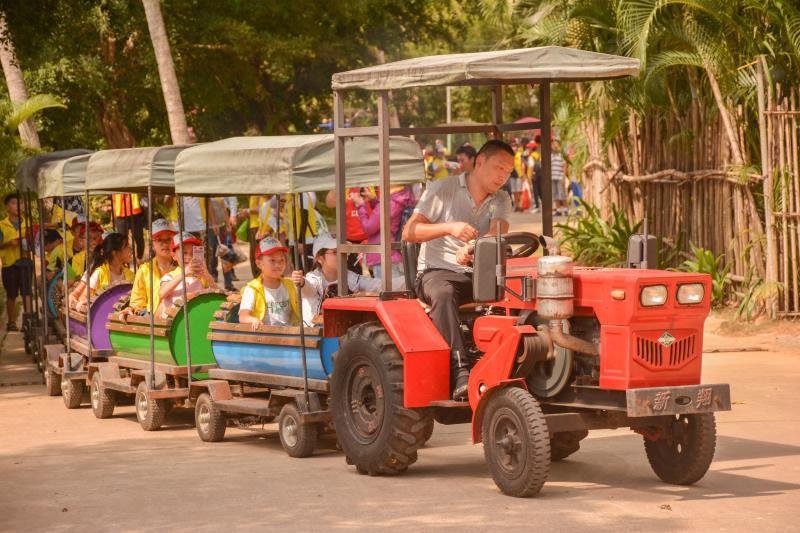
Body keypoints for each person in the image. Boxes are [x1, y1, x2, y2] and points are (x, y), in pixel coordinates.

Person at [402, 139, 513, 400]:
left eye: (508, 172)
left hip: (479, 274)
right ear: (480, 162)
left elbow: (497, 231)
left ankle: (509, 364)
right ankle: (459, 370)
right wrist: (450, 227)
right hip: (437, 271)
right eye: (499, 168)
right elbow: (410, 231)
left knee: (521, 292)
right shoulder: (443, 189)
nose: (503, 176)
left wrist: (473, 247)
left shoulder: (501, 199)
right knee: (443, 293)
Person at [300, 233, 403, 326]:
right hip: (313, 333)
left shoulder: (351, 277)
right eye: (335, 252)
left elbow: (378, 285)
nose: (342, 256)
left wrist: (407, 281)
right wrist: (302, 283)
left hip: (339, 331)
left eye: (344, 251)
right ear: (319, 258)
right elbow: (308, 289)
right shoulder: (313, 278)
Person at [238, 237, 303, 330]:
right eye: (272, 260)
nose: (278, 265)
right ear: (259, 264)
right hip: (264, 334)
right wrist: (253, 320)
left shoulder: (290, 285)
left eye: (281, 260)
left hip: (288, 333)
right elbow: (243, 316)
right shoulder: (252, 289)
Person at [118, 219, 177, 320]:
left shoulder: (184, 267)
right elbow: (137, 303)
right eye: (159, 240)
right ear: (152, 244)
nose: (165, 243)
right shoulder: (144, 270)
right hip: (154, 323)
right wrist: (131, 309)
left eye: (168, 239)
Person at [353, 185, 415, 279]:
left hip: (384, 258)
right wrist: (374, 201)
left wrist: (360, 206)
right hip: (395, 255)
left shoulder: (388, 203)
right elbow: (387, 220)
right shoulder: (400, 199)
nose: (378, 185)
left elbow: (369, 227)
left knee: (389, 288)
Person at [157, 232, 217, 318]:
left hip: (195, 317)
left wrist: (207, 275)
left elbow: (217, 293)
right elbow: (162, 293)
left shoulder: (201, 278)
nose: (189, 257)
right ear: (173, 255)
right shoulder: (170, 276)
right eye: (184, 253)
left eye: (193, 253)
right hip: (174, 320)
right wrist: (184, 273)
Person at [70, 232, 134, 312]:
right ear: (114, 253)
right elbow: (83, 297)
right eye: (126, 247)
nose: (130, 250)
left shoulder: (130, 275)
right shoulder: (99, 273)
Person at [0, 193, 31, 330]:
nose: (18, 206)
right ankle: (11, 323)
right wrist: (8, 243)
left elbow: (35, 242)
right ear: (7, 207)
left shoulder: (28, 224)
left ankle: (28, 321)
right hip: (9, 264)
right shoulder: (2, 225)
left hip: (26, 262)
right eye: (13, 203)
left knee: (27, 293)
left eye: (20, 203)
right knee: (11, 294)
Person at [112, 193, 145, 262]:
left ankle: (140, 258)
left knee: (139, 237)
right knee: (122, 241)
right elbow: (113, 199)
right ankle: (124, 261)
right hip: (120, 214)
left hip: (135, 212)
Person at [551, 139, 567, 216]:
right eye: (553, 144)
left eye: (556, 144)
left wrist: (564, 177)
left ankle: (566, 209)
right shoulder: (551, 155)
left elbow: (564, 166)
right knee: (555, 194)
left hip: (560, 177)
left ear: (559, 146)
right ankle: (558, 210)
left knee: (562, 193)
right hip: (553, 177)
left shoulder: (561, 155)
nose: (554, 146)